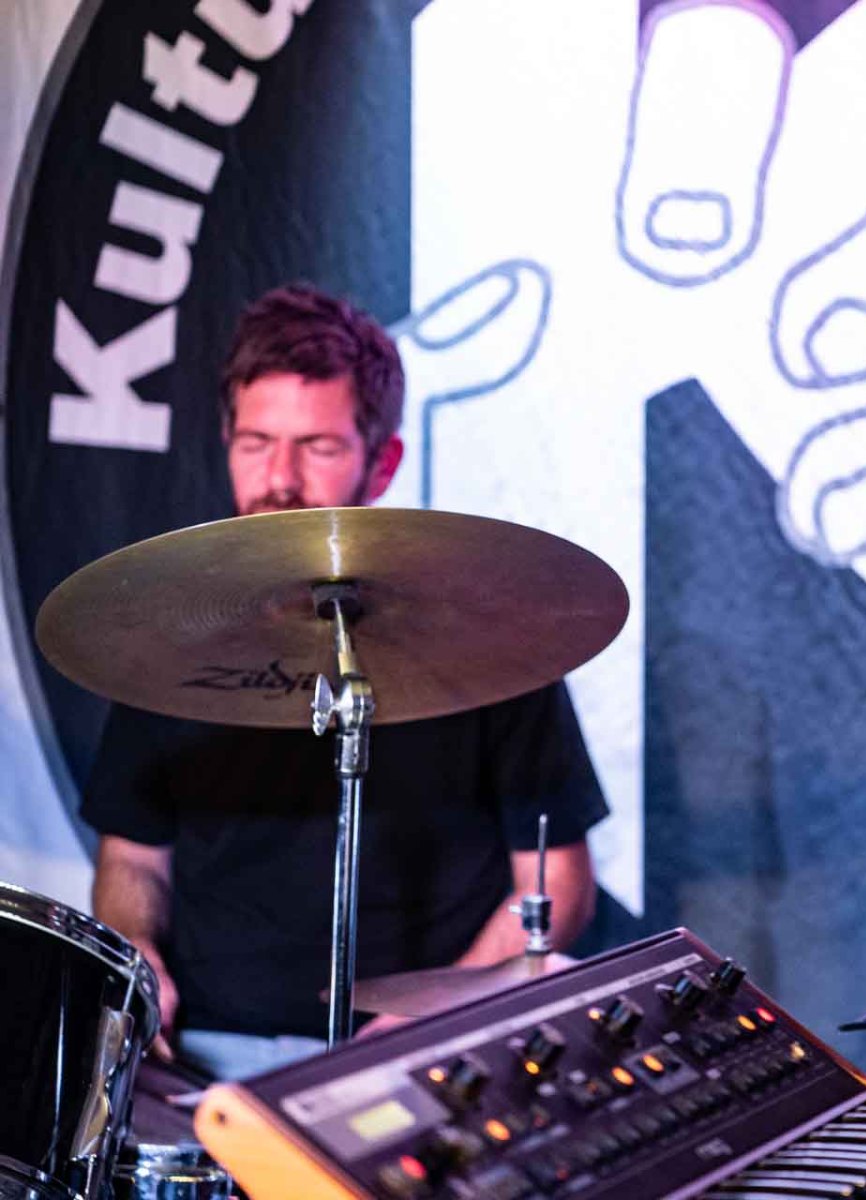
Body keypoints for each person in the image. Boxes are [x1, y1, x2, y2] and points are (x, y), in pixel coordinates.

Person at [82, 284, 607, 1081]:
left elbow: (555, 883)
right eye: (256, 442)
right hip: (207, 1054)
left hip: (431, 1053)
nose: (279, 477)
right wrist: (137, 950)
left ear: (382, 462)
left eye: (318, 447)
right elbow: (131, 860)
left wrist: (429, 1022)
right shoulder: (169, 630)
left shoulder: (494, 636)